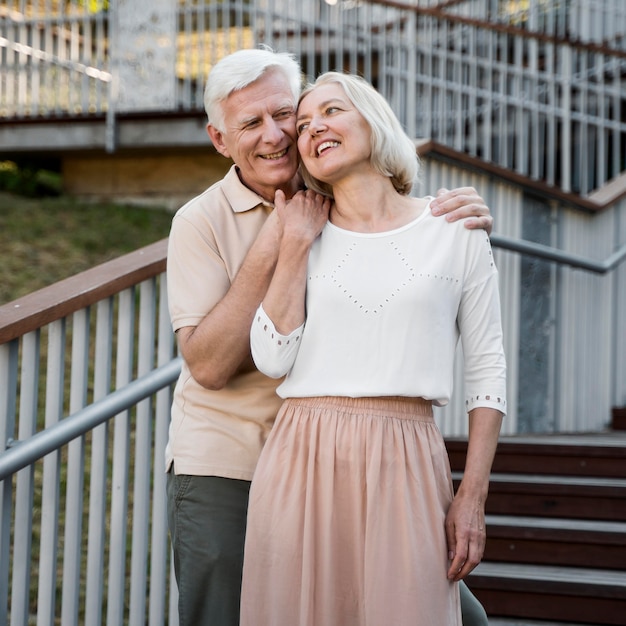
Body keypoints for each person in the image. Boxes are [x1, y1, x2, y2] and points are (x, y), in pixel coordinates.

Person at [165, 48, 495, 626]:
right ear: (220, 140)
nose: (276, 135)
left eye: (284, 114)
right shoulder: (201, 221)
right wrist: (281, 233)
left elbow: (397, 244)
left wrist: (455, 213)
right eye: (250, 124)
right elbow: (210, 367)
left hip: (366, 459)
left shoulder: (337, 183)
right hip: (232, 458)